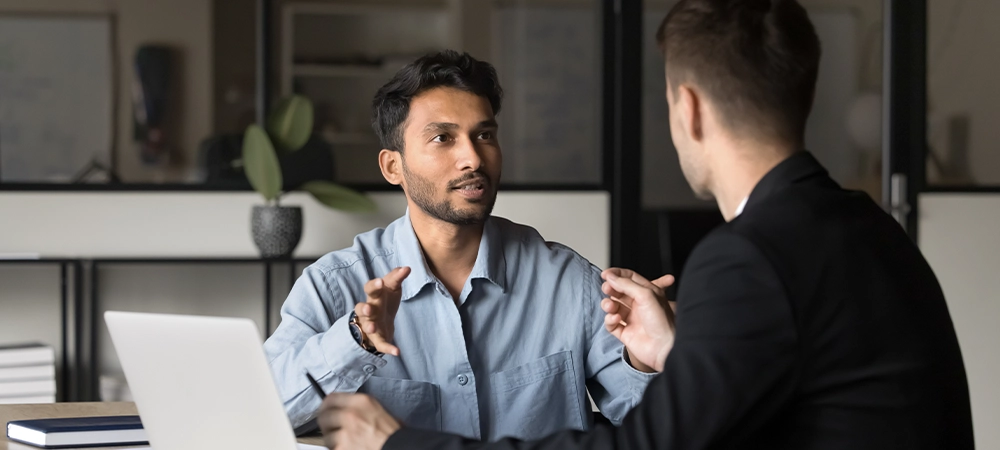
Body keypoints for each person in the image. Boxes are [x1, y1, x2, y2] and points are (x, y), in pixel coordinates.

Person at [313, 0, 975, 449]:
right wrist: (673, 354)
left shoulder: (746, 257)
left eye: (484, 133)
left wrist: (401, 444)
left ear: (686, 109)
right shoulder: (870, 228)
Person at [262, 50, 659, 442]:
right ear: (392, 167)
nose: (473, 157)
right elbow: (261, 412)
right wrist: (356, 341)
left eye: (484, 135)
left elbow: (656, 427)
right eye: (442, 138)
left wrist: (646, 358)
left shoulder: (566, 281)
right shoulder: (333, 286)